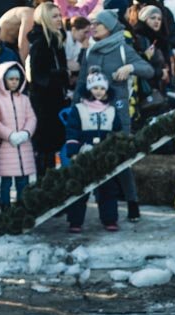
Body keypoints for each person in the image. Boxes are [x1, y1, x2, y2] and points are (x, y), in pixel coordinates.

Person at [75, 8, 152, 218]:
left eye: (97, 25)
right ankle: (103, 210)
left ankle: (132, 202)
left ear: (108, 27)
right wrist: (74, 109)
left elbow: (148, 69)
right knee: (93, 157)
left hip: (118, 114)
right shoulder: (91, 51)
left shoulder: (122, 48)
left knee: (121, 160)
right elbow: (82, 82)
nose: (93, 28)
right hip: (92, 113)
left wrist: (129, 68)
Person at [62, 67, 124, 231]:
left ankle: (109, 219)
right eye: (95, 88)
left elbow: (117, 131)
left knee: (107, 188)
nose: (98, 91)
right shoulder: (79, 109)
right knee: (80, 187)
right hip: (85, 153)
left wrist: (116, 150)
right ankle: (75, 221)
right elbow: (72, 130)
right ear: (89, 89)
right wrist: (74, 152)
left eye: (102, 88)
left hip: (105, 154)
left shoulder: (111, 111)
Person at [26, 1, 70, 176]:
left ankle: (50, 183)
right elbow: (38, 76)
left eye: (59, 15)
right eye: (54, 16)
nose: (59, 19)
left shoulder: (56, 39)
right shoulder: (41, 42)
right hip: (44, 104)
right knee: (45, 146)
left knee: (53, 146)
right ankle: (44, 185)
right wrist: (62, 74)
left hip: (56, 100)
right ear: (45, 18)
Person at [0, 61, 36, 210]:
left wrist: (26, 132)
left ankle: (22, 207)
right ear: (3, 80)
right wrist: (9, 135)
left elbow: (31, 118)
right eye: (11, 79)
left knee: (23, 181)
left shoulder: (24, 99)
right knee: (6, 182)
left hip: (23, 147)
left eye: (17, 79)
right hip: (6, 147)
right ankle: (4, 206)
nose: (14, 82)